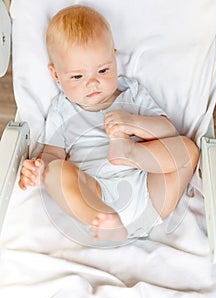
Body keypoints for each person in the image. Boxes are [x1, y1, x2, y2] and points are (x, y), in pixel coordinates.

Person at [18, 5, 199, 242]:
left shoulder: (131, 93)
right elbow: (53, 154)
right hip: (94, 197)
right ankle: (106, 220)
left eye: (103, 70)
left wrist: (133, 122)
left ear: (114, 57)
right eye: (77, 76)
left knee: (187, 148)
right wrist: (41, 169)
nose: (93, 83)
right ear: (56, 75)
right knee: (56, 172)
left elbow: (168, 130)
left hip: (149, 191)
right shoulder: (61, 110)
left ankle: (130, 152)